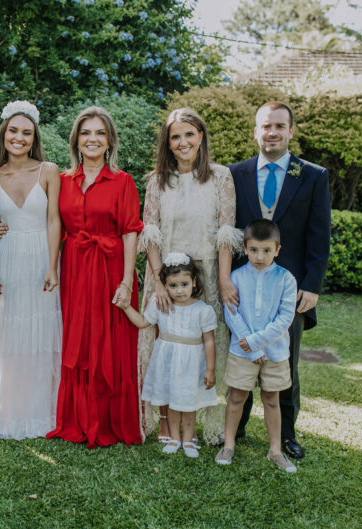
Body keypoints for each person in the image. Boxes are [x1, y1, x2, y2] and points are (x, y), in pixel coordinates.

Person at [229, 101, 331, 461]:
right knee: (242, 353)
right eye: (265, 126)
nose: (272, 133)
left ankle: (287, 435)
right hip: (244, 286)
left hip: (290, 290)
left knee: (284, 361)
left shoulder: (313, 176)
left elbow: (319, 234)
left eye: (279, 126)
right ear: (256, 131)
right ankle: (237, 427)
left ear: (290, 131)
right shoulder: (235, 173)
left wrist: (312, 285)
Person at [138, 108, 241, 446]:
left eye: (189, 135)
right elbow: (151, 235)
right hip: (166, 276)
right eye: (175, 137)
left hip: (206, 274)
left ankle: (202, 423)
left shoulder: (221, 176)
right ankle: (164, 421)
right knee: (163, 345)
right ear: (167, 143)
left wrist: (223, 279)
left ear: (201, 137)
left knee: (203, 346)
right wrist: (158, 282)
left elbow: (225, 233)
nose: (182, 142)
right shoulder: (157, 180)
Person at [46, 106, 143, 448]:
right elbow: (48, 222)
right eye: (86, 132)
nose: (93, 139)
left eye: (100, 133)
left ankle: (109, 420)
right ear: (76, 140)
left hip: (111, 269)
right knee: (80, 340)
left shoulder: (123, 181)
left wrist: (127, 281)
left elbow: (130, 232)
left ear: (110, 141)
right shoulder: (62, 181)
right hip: (75, 269)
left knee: (110, 344)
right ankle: (76, 418)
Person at [0, 101, 62, 440]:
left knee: (43, 332)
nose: (19, 137)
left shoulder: (49, 171)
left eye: (26, 132)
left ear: (34, 137)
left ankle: (44, 409)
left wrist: (52, 265)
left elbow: (54, 220)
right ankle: (11, 409)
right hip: (9, 259)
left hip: (42, 257)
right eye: (13, 131)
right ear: (4, 133)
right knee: (11, 335)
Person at [117, 253, 217, 458]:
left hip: (190, 364)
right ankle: (174, 438)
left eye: (184, 284)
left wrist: (210, 369)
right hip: (168, 362)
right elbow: (143, 322)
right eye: (173, 286)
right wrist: (126, 307)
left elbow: (209, 341)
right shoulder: (160, 304)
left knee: (188, 404)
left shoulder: (203, 310)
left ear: (193, 282)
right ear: (165, 285)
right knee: (172, 402)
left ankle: (188, 439)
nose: (179, 290)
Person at [216, 219, 298, 472]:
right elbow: (231, 313)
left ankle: (275, 450)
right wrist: (251, 346)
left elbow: (285, 318)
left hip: (274, 352)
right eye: (253, 250)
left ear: (277, 250)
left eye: (266, 250)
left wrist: (256, 342)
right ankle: (228, 445)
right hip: (242, 351)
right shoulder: (236, 277)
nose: (259, 256)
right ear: (245, 248)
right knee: (236, 397)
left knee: (272, 399)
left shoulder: (286, 279)